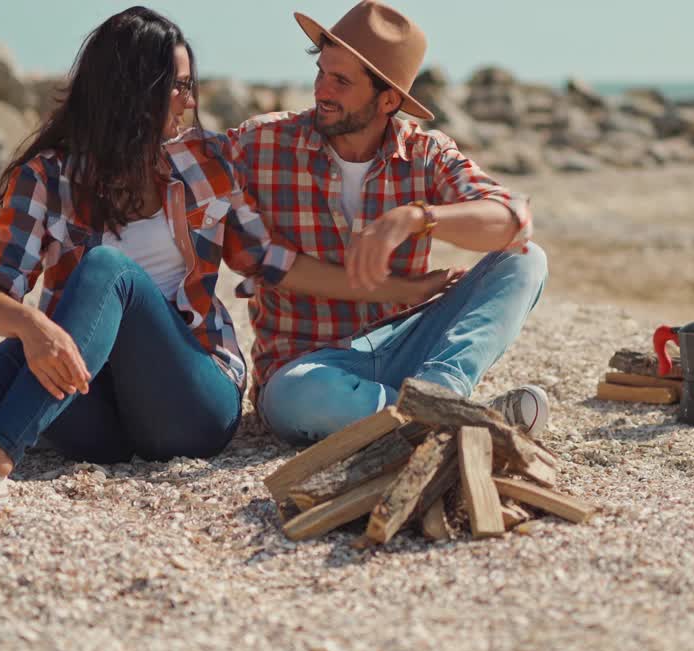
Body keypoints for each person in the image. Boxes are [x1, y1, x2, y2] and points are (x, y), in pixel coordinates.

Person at [0, 6, 451, 543]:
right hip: (90, 413)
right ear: (132, 91)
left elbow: (274, 263)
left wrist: (403, 290)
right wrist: (33, 328)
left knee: (105, 270)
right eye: (179, 85)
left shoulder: (204, 163)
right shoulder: (46, 176)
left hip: (192, 402)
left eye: (192, 83)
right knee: (12, 350)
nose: (192, 101)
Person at [225, 1, 551, 446]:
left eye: (341, 81)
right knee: (297, 398)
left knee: (526, 260)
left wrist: (417, 217)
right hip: (309, 365)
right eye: (322, 72)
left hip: (409, 345)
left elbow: (512, 220)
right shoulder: (259, 144)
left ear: (389, 99)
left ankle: (440, 398)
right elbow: (197, 196)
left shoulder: (426, 153)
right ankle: (456, 419)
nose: (322, 89)